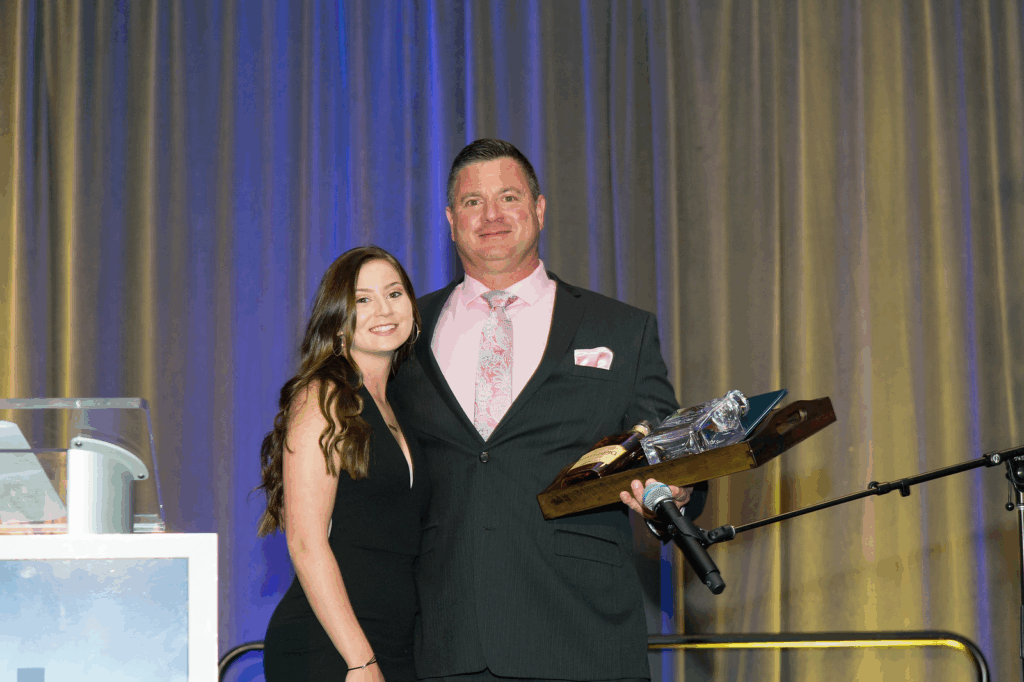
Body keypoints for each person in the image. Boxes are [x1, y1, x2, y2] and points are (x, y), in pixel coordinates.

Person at [390, 139, 708, 682]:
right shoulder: (400, 332)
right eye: (472, 202)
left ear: (538, 210)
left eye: (508, 197)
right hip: (443, 643)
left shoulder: (620, 330)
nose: (491, 215)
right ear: (450, 220)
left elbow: (670, 453)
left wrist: (676, 489)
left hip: (581, 638)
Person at [258, 246, 430, 682]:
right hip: (333, 646)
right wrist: (360, 660)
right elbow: (304, 540)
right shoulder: (325, 396)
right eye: (363, 300)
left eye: (394, 293)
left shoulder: (401, 405)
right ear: (338, 319)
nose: (383, 310)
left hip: (393, 641)